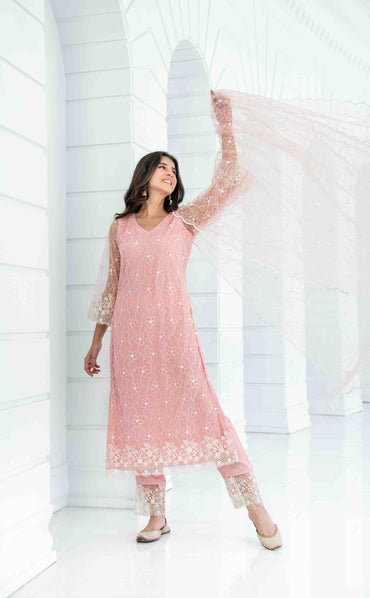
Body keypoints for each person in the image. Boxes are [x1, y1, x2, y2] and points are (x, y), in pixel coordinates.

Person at [84, 90, 282, 550]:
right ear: (145, 175)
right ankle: (157, 515)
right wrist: (96, 342)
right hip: (129, 341)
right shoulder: (119, 228)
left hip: (174, 336)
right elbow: (111, 287)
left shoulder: (185, 222)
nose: (170, 173)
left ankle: (256, 508)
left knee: (210, 417)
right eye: (162, 166)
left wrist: (225, 125)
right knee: (140, 422)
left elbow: (228, 180)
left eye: (174, 169)